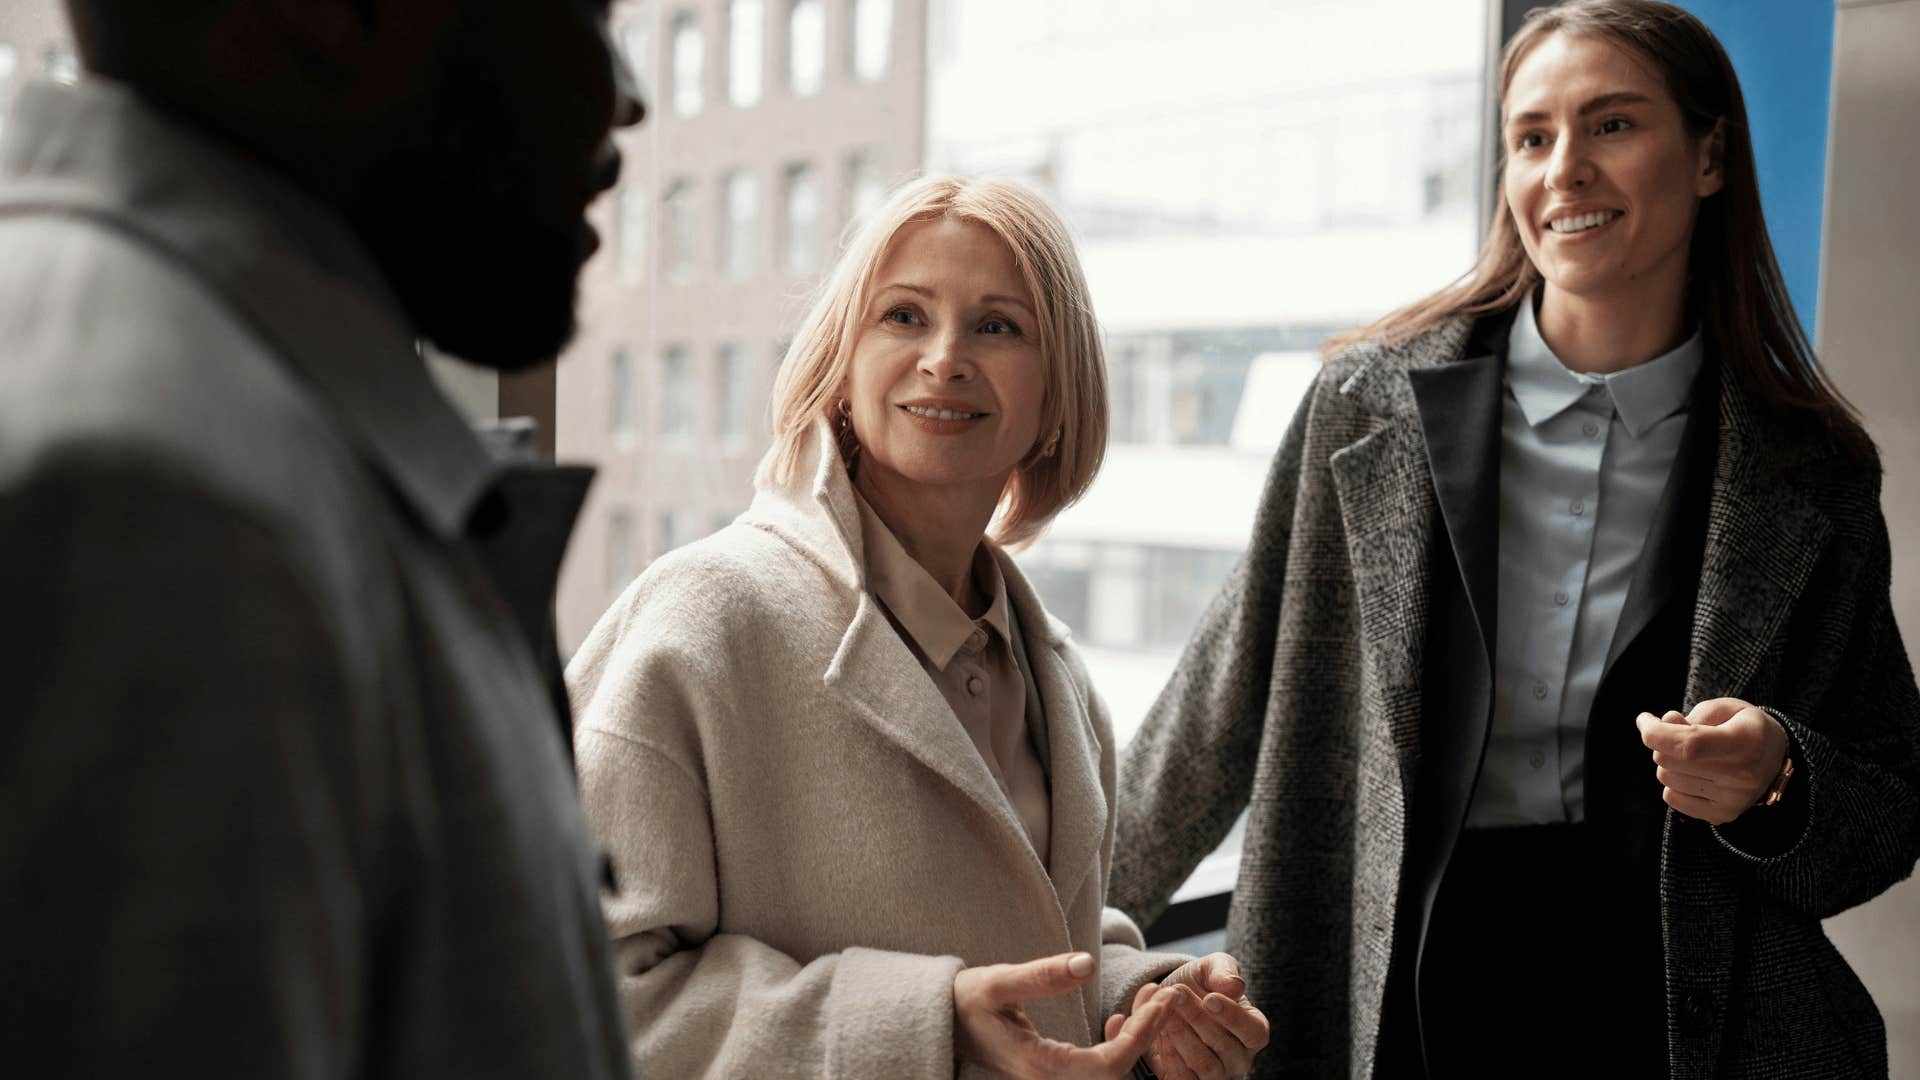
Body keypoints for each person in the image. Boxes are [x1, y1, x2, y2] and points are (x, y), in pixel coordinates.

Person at [1109, 1, 1920, 1077]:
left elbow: (1885, 807)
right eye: (1533, 138)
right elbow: (1211, 715)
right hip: (1395, 994)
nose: (1564, 170)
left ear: (1711, 153)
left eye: (1613, 126)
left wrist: (1779, 776)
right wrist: (1054, 941)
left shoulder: (1811, 472)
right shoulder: (1367, 410)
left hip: (1688, 1019)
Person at [0, 0, 644, 1075]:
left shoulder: (236, 430)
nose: (626, 94)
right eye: (585, 8)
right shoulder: (161, 506)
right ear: (323, 14)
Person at [568, 175, 1271, 1079]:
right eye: (903, 315)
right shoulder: (702, 621)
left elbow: (1031, 931)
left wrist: (1140, 995)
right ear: (840, 363)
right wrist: (924, 1024)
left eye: (999, 326)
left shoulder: (1057, 674)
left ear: (1056, 397)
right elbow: (587, 990)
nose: (946, 357)